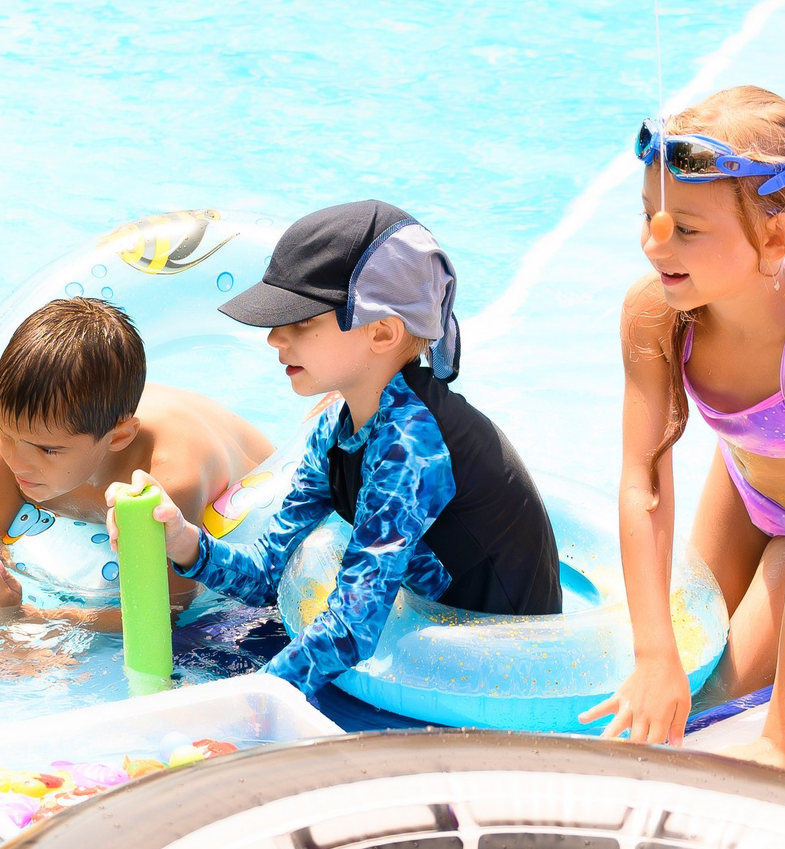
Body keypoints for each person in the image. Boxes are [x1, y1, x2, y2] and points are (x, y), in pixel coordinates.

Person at [118, 201, 561, 700]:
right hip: (432, 623)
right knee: (202, 650)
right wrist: (183, 541)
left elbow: (352, 630)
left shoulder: (413, 445)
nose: (274, 338)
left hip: (500, 674)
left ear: (382, 332)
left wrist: (244, 705)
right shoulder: (338, 429)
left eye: (301, 321)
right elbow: (268, 573)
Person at [590, 87, 785, 768]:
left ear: (775, 238)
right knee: (686, 660)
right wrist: (654, 653)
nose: (654, 244)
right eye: (648, 215)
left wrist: (781, 745)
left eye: (686, 228)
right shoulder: (655, 311)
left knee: (723, 693)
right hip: (743, 481)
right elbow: (643, 484)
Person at [0, 297, 273, 631]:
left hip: (250, 477)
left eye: (47, 450)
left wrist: (28, 618)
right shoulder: (19, 443)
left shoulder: (168, 481)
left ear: (119, 438)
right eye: (5, 432)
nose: (17, 462)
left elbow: (166, 610)